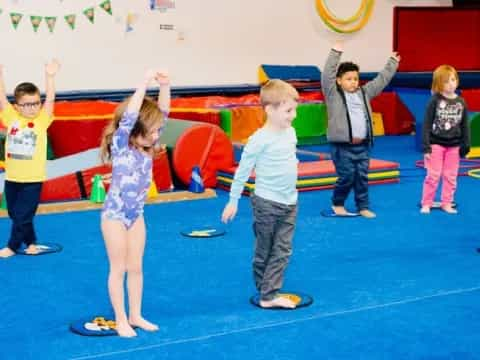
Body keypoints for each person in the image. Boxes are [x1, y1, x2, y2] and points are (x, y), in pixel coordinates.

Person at [99, 69, 170, 337]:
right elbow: (130, 115)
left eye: (156, 132)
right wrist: (142, 85)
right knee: (118, 268)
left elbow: (163, 114)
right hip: (115, 216)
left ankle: (136, 314)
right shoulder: (121, 143)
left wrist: (165, 86)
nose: (156, 136)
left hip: (136, 214)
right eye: (150, 132)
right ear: (134, 130)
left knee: (136, 267)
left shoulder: (148, 145)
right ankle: (120, 319)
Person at [221, 79, 299, 309]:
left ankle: (269, 293)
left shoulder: (291, 132)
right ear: (269, 110)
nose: (293, 115)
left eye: (294, 110)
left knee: (282, 249)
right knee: (265, 248)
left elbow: (289, 158)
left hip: (290, 201)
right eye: (288, 110)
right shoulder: (258, 140)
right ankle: (264, 289)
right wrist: (233, 201)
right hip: (266, 203)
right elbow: (243, 170)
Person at [322, 41, 400, 218]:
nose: (353, 82)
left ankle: (363, 206)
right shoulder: (333, 94)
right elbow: (327, 75)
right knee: (347, 176)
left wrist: (392, 63)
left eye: (355, 79)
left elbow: (381, 80)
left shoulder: (364, 93)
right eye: (348, 79)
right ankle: (338, 203)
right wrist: (336, 53)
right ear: (339, 81)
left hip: (363, 146)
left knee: (362, 178)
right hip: (342, 146)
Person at [0, 60, 61, 258]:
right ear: (17, 106)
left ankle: (12, 246)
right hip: (12, 178)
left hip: (32, 180)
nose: (32, 108)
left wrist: (50, 77)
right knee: (15, 214)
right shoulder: (12, 118)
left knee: (23, 215)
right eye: (26, 104)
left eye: (35, 103)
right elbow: (1, 97)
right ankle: (31, 242)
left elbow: (51, 100)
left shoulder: (41, 120)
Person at [420, 65, 470, 214]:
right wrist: (426, 147)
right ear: (438, 84)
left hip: (454, 146)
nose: (451, 84)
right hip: (436, 143)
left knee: (450, 176)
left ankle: (446, 202)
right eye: (446, 81)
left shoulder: (461, 102)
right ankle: (427, 202)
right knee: (433, 175)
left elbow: (465, 125)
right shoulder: (434, 101)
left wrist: (465, 145)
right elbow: (427, 124)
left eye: (453, 80)